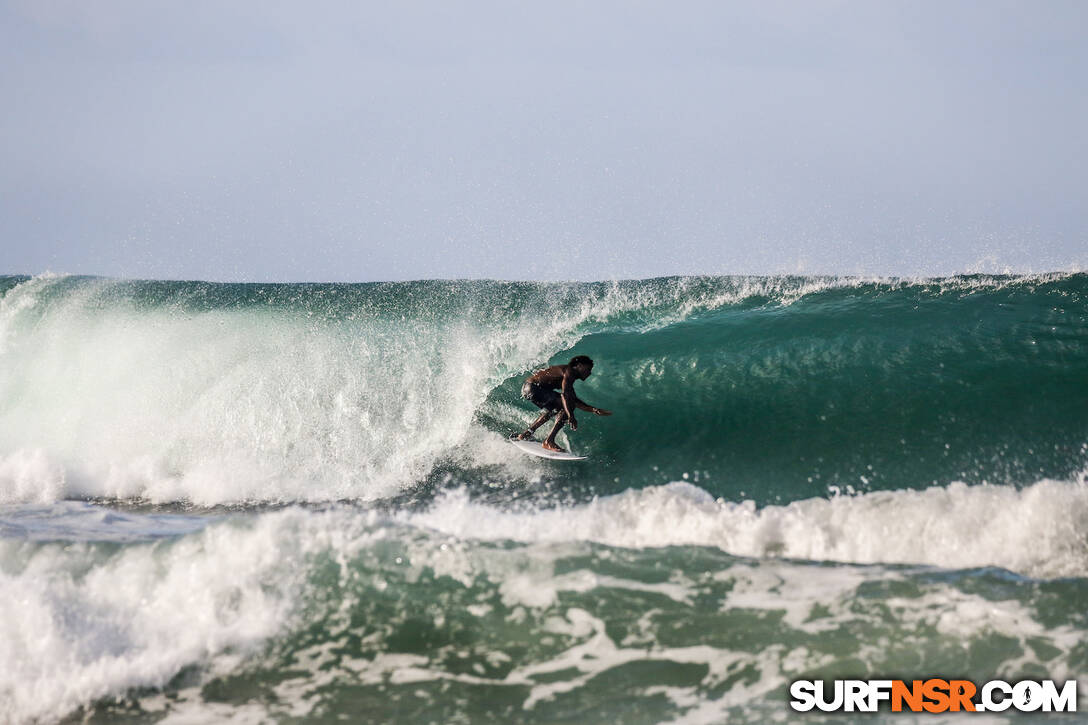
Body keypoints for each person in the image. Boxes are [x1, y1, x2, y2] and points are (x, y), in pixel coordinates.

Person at [513, 355, 611, 452]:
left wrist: (594, 410)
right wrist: (570, 415)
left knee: (553, 410)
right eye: (588, 369)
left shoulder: (567, 375)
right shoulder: (569, 371)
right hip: (534, 388)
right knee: (565, 406)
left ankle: (526, 434)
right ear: (579, 365)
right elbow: (565, 396)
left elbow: (572, 398)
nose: (589, 373)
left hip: (529, 388)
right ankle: (549, 441)